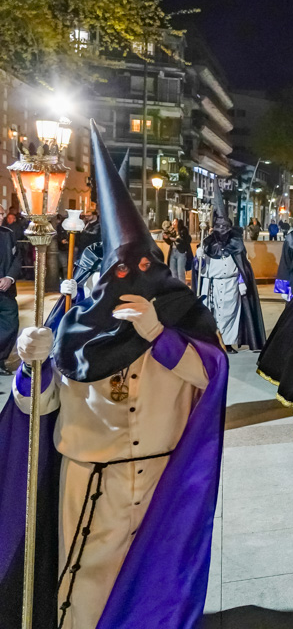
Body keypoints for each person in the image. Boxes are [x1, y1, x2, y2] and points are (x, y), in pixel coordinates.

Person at [0, 121, 226, 628]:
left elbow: (209, 377)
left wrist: (159, 336)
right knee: (83, 587)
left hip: (160, 481)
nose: (133, 278)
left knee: (152, 588)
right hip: (90, 477)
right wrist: (33, 364)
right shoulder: (74, 321)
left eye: (143, 267)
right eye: (121, 270)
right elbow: (38, 406)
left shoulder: (181, 318)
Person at [198, 199, 266, 353]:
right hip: (213, 285)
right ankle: (214, 341)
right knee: (213, 314)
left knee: (230, 315)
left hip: (231, 285)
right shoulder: (207, 244)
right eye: (219, 227)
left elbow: (243, 266)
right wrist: (199, 257)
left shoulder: (236, 244)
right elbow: (200, 269)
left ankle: (227, 343)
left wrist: (241, 281)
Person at [0, 220, 20, 374]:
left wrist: (9, 277)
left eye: (1, 214)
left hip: (5, 290)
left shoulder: (8, 234)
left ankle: (1, 359)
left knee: (11, 323)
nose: (0, 217)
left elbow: (17, 258)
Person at [163, 217, 192, 284]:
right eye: (173, 221)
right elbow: (170, 242)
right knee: (173, 271)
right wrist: (166, 238)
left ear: (178, 223)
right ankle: (175, 287)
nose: (173, 223)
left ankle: (182, 287)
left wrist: (175, 239)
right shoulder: (172, 231)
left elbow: (186, 241)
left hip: (181, 252)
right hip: (173, 251)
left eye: (174, 222)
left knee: (180, 272)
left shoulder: (183, 231)